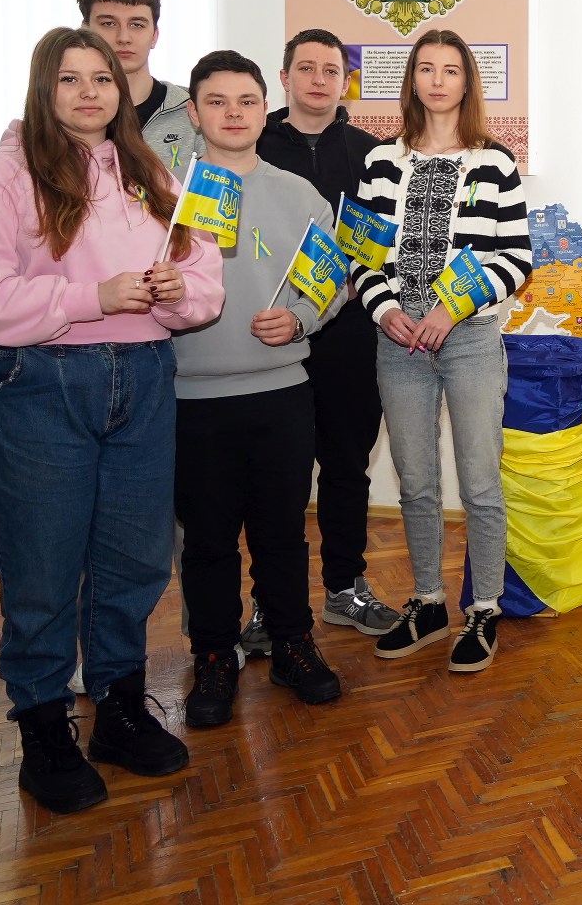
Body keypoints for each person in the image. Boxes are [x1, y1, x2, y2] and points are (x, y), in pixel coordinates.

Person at [0, 26, 223, 813]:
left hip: (143, 377)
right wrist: (89, 298)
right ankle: (43, 730)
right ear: (44, 88)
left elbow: (202, 273)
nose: (90, 92)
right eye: (70, 79)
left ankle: (120, 709)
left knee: (133, 558)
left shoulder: (151, 172)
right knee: (41, 564)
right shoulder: (1, 174)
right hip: (39, 380)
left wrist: (179, 293)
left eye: (101, 78)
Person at [173, 50, 345, 728]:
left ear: (263, 108)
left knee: (282, 534)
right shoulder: (165, 195)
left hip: (281, 393)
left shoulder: (299, 194)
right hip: (192, 398)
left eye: (246, 101)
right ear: (194, 113)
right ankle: (215, 655)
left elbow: (331, 280)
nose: (233, 114)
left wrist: (300, 318)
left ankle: (292, 643)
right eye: (216, 102)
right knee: (208, 541)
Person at [350, 29, 531, 673]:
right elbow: (360, 257)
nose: (437, 80)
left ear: (466, 82)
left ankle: (484, 608)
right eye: (425, 68)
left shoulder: (496, 163)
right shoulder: (381, 162)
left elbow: (516, 259)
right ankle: (427, 602)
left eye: (450, 70)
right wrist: (386, 310)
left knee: (480, 481)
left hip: (471, 340)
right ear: (412, 80)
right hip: (398, 343)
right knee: (417, 481)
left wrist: (451, 308)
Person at [256, 29, 397, 640]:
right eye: (306, 68)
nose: (318, 79)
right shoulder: (250, 146)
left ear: (346, 82)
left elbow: (383, 246)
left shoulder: (374, 156)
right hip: (271, 337)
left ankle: (345, 588)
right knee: (275, 477)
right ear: (284, 77)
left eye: (331, 70)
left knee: (346, 469)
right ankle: (270, 603)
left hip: (350, 338)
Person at [77, 0, 202, 169]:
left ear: (154, 36)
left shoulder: (197, 110)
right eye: (108, 24)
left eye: (136, 24)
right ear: (85, 31)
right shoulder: (65, 112)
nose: (123, 38)